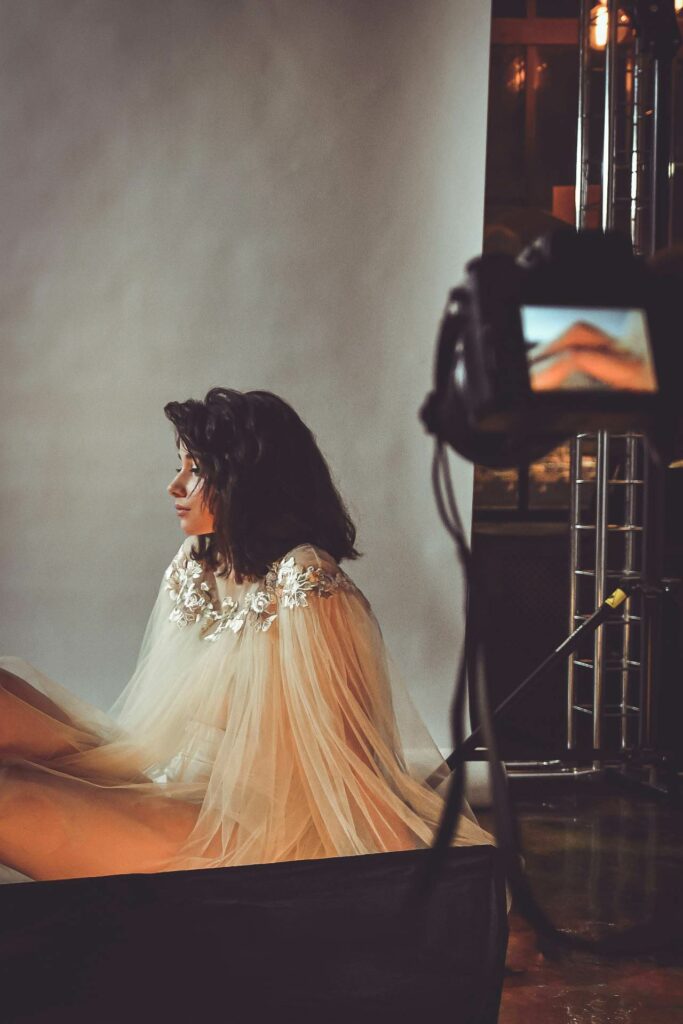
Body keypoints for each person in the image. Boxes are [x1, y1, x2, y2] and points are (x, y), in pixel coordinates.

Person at [0, 388, 492, 882]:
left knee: (9, 797)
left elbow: (356, 772)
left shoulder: (306, 583)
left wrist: (408, 888)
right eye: (180, 466)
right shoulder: (199, 561)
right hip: (178, 787)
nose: (175, 485)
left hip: (260, 831)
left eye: (195, 470)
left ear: (247, 480)